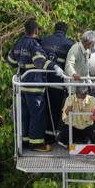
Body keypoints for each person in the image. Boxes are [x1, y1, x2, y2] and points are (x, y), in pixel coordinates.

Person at [7, 19, 65, 152]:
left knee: (25, 114)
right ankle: (37, 143)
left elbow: (10, 61)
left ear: (25, 30)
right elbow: (39, 61)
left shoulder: (19, 43)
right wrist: (54, 66)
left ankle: (26, 141)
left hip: (22, 86)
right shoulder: (35, 45)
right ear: (37, 31)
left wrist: (22, 64)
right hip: (34, 85)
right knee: (37, 115)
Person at [40, 22, 75, 142]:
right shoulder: (70, 44)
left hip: (40, 82)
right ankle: (49, 137)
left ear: (54, 29)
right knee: (54, 110)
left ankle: (39, 136)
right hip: (57, 84)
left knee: (40, 109)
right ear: (65, 32)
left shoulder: (44, 40)